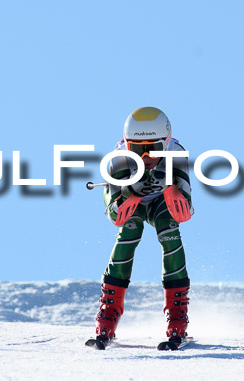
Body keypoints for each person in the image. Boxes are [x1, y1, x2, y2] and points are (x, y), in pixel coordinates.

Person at [92, 107, 194, 346]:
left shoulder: (177, 154)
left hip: (162, 203)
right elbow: (115, 216)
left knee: (169, 229)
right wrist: (134, 193)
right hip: (133, 204)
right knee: (130, 229)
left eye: (153, 148)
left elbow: (184, 213)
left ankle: (177, 314)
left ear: (166, 143)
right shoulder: (118, 159)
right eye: (137, 149)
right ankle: (109, 312)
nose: (145, 156)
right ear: (127, 145)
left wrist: (169, 187)